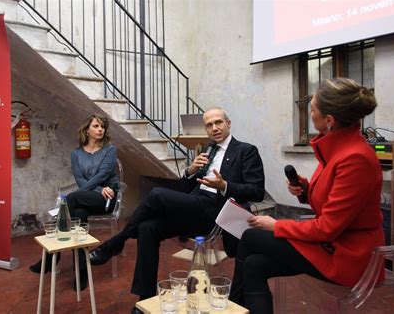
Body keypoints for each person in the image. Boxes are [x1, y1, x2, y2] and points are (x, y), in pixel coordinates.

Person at [229, 78, 385, 314]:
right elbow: (332, 206)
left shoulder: (355, 158)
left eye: (312, 109)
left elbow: (327, 227)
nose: (310, 114)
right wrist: (307, 190)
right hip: (330, 244)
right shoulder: (339, 149)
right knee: (254, 265)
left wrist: (277, 225)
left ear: (329, 121)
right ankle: (237, 306)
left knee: (251, 237)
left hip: (348, 255)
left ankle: (231, 306)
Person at [89, 107, 265, 313]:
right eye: (209, 125)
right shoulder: (207, 150)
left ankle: (116, 243)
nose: (214, 128)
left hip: (215, 212)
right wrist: (190, 172)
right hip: (194, 207)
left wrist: (224, 185)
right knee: (147, 228)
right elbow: (185, 189)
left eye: (218, 122)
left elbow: (257, 191)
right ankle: (145, 298)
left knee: (156, 194)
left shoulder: (246, 150)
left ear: (229, 123)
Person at [29, 113, 119, 291]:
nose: (100, 129)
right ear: (86, 130)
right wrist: (99, 188)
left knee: (72, 197)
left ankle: (49, 256)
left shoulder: (110, 149)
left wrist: (102, 190)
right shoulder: (76, 153)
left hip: (107, 198)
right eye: (96, 126)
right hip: (89, 195)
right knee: (78, 215)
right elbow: (80, 181)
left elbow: (103, 175)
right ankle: (82, 272)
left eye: (102, 126)